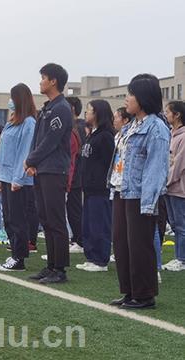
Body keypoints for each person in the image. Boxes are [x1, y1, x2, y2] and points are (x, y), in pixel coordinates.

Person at [108, 74, 170, 309]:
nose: (127, 99)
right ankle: (129, 291)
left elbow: (156, 168)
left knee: (139, 245)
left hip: (139, 195)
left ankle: (144, 295)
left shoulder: (156, 127)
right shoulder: (131, 126)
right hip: (121, 189)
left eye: (131, 94)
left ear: (143, 97)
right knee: (122, 243)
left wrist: (148, 202)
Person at [25, 63, 73, 283]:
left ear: (53, 81)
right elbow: (37, 140)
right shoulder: (47, 108)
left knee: (55, 219)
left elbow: (51, 141)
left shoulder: (61, 108)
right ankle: (51, 265)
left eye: (44, 77)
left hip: (55, 170)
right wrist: (32, 162)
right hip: (43, 169)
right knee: (45, 218)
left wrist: (31, 159)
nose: (41, 81)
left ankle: (60, 268)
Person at [0, 83, 37, 271]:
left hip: (17, 179)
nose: (9, 101)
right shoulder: (12, 122)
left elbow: (24, 152)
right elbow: (3, 151)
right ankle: (14, 254)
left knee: (18, 219)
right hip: (5, 176)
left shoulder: (29, 123)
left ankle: (19, 257)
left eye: (12, 97)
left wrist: (18, 179)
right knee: (9, 218)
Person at [76, 100, 115, 272]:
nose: (87, 114)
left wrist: (101, 181)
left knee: (100, 225)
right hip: (89, 188)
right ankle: (91, 257)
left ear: (98, 113)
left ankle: (101, 260)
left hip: (100, 188)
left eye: (90, 111)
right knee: (89, 225)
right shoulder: (92, 134)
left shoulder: (106, 136)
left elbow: (108, 163)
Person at [163, 101, 185, 271]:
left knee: (180, 224)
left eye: (168, 111)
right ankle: (179, 257)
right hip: (169, 187)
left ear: (177, 115)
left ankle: (181, 259)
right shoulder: (171, 133)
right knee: (174, 223)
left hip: (179, 188)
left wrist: (166, 181)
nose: (165, 114)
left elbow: (178, 166)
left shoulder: (183, 137)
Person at [65, 96, 86, 253]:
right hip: (72, 175)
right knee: (72, 208)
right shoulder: (74, 126)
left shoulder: (78, 126)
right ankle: (76, 238)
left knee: (74, 209)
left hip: (75, 176)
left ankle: (79, 239)